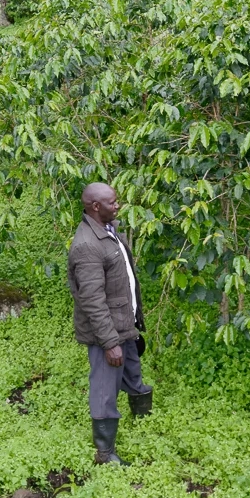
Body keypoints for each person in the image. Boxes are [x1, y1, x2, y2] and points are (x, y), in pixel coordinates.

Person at [67, 181, 152, 465]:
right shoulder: (87, 246)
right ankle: (105, 453)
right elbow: (91, 300)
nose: (118, 206)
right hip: (107, 332)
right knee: (105, 390)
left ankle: (144, 421)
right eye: (113, 202)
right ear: (95, 206)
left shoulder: (109, 231)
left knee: (133, 373)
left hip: (123, 322)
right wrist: (110, 342)